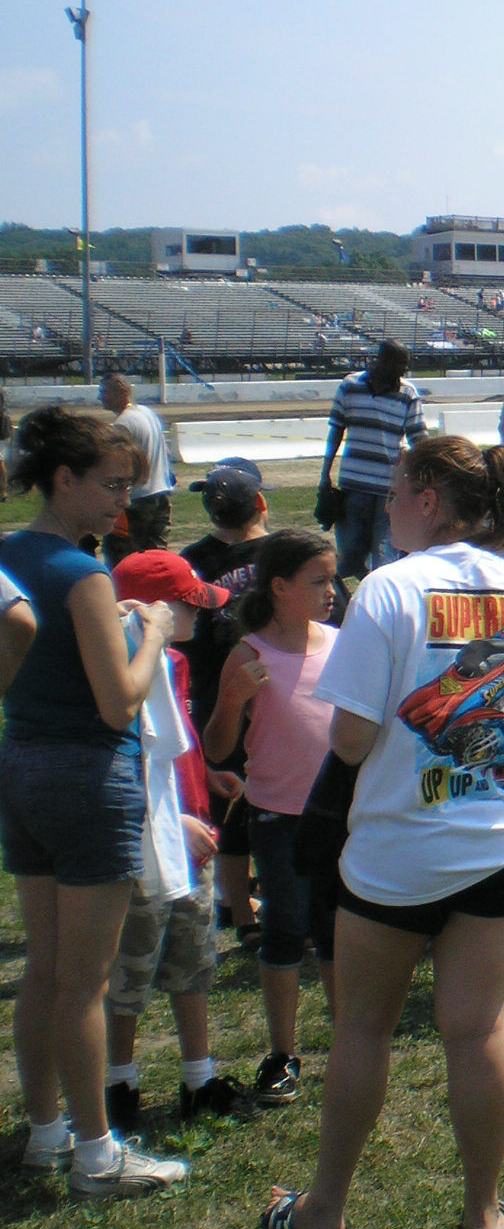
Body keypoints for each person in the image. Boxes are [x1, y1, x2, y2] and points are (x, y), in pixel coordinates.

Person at [261, 436, 504, 1229]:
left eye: (395, 490)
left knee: (363, 1030)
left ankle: (323, 1211)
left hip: (394, 853)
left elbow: (348, 740)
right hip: (501, 847)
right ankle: (482, 1212)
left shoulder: (385, 589)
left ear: (429, 500)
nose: (384, 505)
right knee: (478, 1031)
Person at [0, 405, 190, 1199]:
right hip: (88, 776)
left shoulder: (12, 553)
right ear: (63, 479)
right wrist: (154, 631)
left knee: (44, 973)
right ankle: (98, 1155)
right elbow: (120, 703)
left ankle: (46, 1132)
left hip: (24, 766)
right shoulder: (85, 573)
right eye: (110, 485)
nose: (121, 501)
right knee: (85, 982)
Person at [101, 550, 246, 1134]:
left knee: (193, 962)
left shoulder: (175, 664)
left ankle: (198, 1076)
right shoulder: (123, 671)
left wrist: (205, 782)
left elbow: (177, 741)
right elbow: (131, 761)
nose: (200, 612)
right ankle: (119, 1082)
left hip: (192, 837)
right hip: (148, 842)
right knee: (129, 971)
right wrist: (176, 821)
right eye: (190, 602)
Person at [203, 530, 340, 1108]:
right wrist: (233, 699)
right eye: (319, 581)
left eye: (334, 579)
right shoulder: (249, 654)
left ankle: (349, 1039)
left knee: (339, 932)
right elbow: (215, 749)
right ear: (280, 587)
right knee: (285, 930)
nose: (332, 591)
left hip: (340, 813)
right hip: (278, 818)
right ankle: (283, 1052)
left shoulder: (340, 642)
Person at [182, 457, 272, 947]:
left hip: (216, 699)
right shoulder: (284, 553)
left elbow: (183, 639)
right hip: (280, 697)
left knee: (229, 809)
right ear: (260, 502)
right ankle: (269, 903)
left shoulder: (191, 561)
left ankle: (238, 909)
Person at [320, 340, 427, 582]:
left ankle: (375, 598)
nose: (404, 371)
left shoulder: (408, 393)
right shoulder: (350, 386)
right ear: (382, 360)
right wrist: (325, 474)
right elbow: (336, 430)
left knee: (385, 557)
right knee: (350, 555)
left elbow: (418, 438)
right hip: (353, 486)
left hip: (388, 489)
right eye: (400, 365)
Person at [100, 373, 176, 566]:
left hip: (136, 502)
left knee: (123, 561)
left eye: (105, 392)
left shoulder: (122, 424)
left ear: (122, 392)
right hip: (161, 495)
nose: (101, 397)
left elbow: (113, 466)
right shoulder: (146, 413)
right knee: (157, 560)